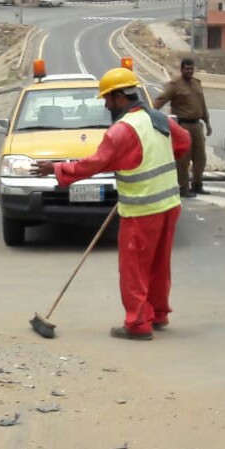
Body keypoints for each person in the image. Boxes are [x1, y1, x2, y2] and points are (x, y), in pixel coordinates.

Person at [33, 67, 191, 340]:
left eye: (107, 98)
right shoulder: (159, 119)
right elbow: (183, 142)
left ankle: (138, 324)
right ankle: (158, 314)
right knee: (158, 264)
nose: (106, 104)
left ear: (120, 96)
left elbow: (94, 164)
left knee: (134, 269)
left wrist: (57, 169)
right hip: (168, 204)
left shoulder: (122, 131)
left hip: (142, 210)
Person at [153, 57, 212, 196]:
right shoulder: (175, 85)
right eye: (187, 69)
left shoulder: (197, 83)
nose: (189, 71)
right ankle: (183, 187)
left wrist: (207, 122)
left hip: (197, 125)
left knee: (200, 158)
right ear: (182, 69)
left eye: (191, 68)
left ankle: (197, 184)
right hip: (182, 125)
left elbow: (202, 104)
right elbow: (160, 100)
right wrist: (150, 115)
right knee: (183, 159)